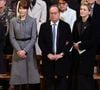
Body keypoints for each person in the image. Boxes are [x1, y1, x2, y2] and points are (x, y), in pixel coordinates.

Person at [38, 5, 72, 90]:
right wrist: (48, 54)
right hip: (48, 61)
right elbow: (41, 42)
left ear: (59, 13)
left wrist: (62, 54)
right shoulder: (44, 26)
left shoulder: (66, 26)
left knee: (62, 86)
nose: (53, 15)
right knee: (49, 86)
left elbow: (70, 42)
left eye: (55, 13)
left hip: (62, 61)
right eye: (51, 13)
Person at [9, 0, 40, 90]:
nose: (22, 10)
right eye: (20, 8)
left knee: (30, 77)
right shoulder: (13, 21)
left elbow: (34, 37)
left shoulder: (32, 21)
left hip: (29, 50)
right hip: (17, 50)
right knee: (18, 77)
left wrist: (25, 50)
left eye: (24, 9)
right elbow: (12, 37)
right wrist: (19, 50)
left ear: (27, 9)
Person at [71, 2, 96, 90]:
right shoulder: (76, 22)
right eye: (81, 9)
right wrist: (74, 44)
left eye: (84, 9)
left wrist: (80, 46)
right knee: (76, 80)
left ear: (89, 12)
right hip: (77, 55)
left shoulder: (93, 24)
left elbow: (94, 41)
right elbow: (73, 37)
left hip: (87, 55)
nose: (81, 11)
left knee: (85, 81)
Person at [0, 0, 14, 74]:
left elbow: (11, 31)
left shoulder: (10, 14)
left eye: (1, 0)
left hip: (8, 41)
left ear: (5, 2)